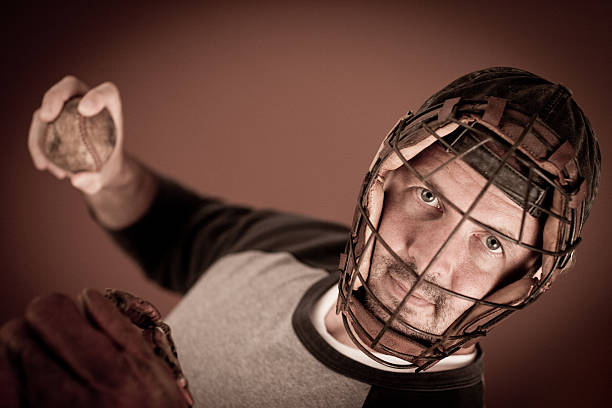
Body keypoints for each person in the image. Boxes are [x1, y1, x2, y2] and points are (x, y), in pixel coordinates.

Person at [0, 67, 600, 407]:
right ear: (384, 182)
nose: (433, 262)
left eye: (491, 241)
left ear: (525, 275)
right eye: (430, 199)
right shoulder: (301, 249)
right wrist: (105, 170)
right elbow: (176, 229)